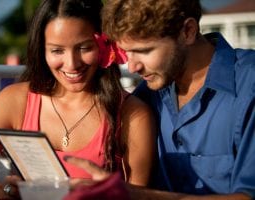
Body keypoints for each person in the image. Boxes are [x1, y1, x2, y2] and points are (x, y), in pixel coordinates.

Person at [0, 0, 156, 195]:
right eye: (57, 50)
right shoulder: (14, 101)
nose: (71, 64)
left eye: (84, 48)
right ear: (41, 51)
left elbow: (141, 196)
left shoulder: (133, 115)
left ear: (105, 44)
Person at [64, 0, 255, 199]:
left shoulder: (249, 85)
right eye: (127, 52)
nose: (132, 67)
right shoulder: (146, 96)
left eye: (144, 51)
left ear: (188, 31)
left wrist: (137, 195)